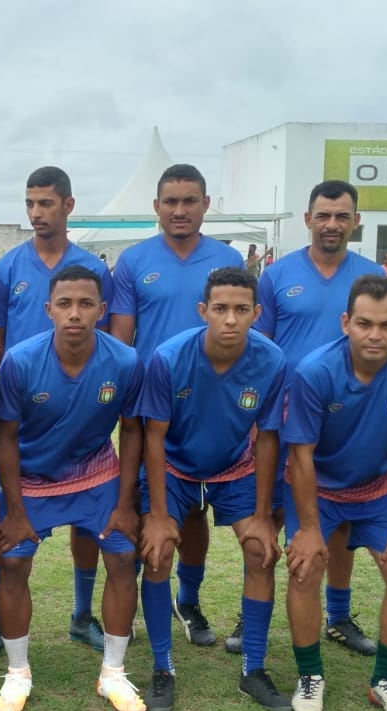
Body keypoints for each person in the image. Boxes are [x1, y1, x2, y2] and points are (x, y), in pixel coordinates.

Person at [280, 275, 387, 711]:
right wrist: (308, 529)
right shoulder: (314, 371)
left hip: (377, 483)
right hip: (318, 484)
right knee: (305, 566)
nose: (375, 335)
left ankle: (385, 680)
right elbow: (301, 455)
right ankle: (310, 675)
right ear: (345, 323)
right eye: (364, 323)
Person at [0, 265, 145, 711]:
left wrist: (126, 503)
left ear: (102, 309)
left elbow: (131, 431)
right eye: (64, 304)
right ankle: (17, 673)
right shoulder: (20, 361)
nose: (74, 313)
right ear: (49, 309)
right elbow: (4, 437)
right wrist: (13, 509)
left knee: (123, 558)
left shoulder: (125, 361)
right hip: (32, 477)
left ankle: (112, 672)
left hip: (95, 472)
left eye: (85, 304)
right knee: (12, 562)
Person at [109, 164, 245, 650]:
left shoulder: (228, 258)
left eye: (190, 200)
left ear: (206, 205)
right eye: (171, 201)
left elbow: (243, 332)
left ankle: (189, 600)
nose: (180, 210)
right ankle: (140, 604)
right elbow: (121, 338)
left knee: (196, 511)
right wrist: (124, 399)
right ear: (156, 207)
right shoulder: (133, 260)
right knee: (150, 505)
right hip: (153, 404)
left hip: (212, 402)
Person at [138, 268, 286, 711]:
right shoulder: (168, 358)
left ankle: (253, 669)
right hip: (175, 467)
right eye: (220, 309)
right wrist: (158, 515)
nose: (230, 319)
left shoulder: (272, 360)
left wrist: (263, 514)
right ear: (203, 311)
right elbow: (152, 437)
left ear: (257, 313)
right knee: (158, 552)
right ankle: (162, 667)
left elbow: (267, 438)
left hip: (233, 467)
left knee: (261, 550)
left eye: (242, 310)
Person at [252, 179, 386, 658]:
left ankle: (339, 615)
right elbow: (261, 348)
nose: (332, 224)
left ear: (356, 221)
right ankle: (254, 619)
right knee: (272, 515)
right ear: (308, 219)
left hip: (350, 420)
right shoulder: (276, 274)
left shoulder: (372, 276)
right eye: (323, 215)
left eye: (342, 215)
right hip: (286, 417)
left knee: (341, 519)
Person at [0, 166, 111, 659]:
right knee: (5, 519)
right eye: (30, 203)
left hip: (83, 413)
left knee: (88, 521)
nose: (37, 212)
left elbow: (103, 338)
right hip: (25, 414)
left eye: (46, 203)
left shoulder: (93, 268)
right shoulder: (7, 268)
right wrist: (31, 383)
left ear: (68, 206)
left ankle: (81, 615)